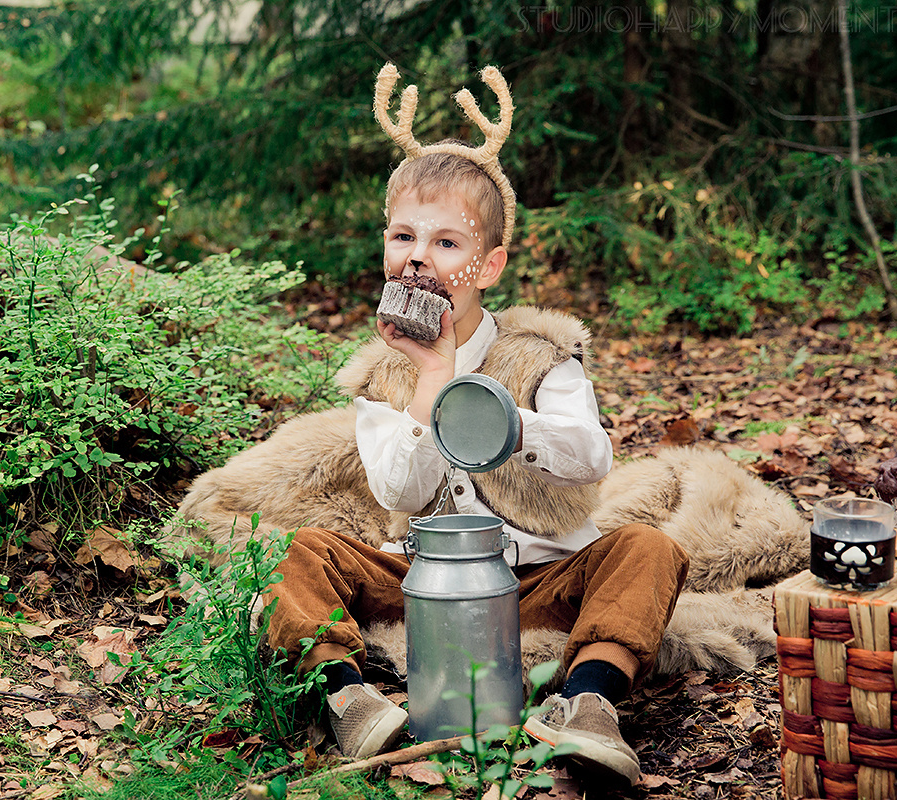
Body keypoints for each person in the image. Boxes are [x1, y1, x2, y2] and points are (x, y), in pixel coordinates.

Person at [263, 64, 689, 787]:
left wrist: (502, 418)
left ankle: (587, 705)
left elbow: (590, 457)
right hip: (427, 581)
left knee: (647, 549)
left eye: (447, 244)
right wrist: (432, 378)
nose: (419, 257)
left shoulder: (539, 354)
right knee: (297, 553)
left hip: (539, 577)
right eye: (403, 237)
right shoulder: (382, 375)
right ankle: (349, 698)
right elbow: (398, 482)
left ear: (489, 265)